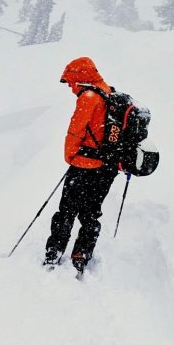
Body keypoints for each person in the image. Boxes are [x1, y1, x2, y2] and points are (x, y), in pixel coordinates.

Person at [43, 57, 119, 273]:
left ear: (79, 77)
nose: (70, 88)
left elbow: (75, 131)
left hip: (85, 165)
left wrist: (71, 158)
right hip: (108, 166)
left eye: (70, 82)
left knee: (66, 211)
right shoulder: (109, 93)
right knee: (91, 212)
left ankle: (54, 252)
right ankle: (82, 254)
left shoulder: (88, 97)